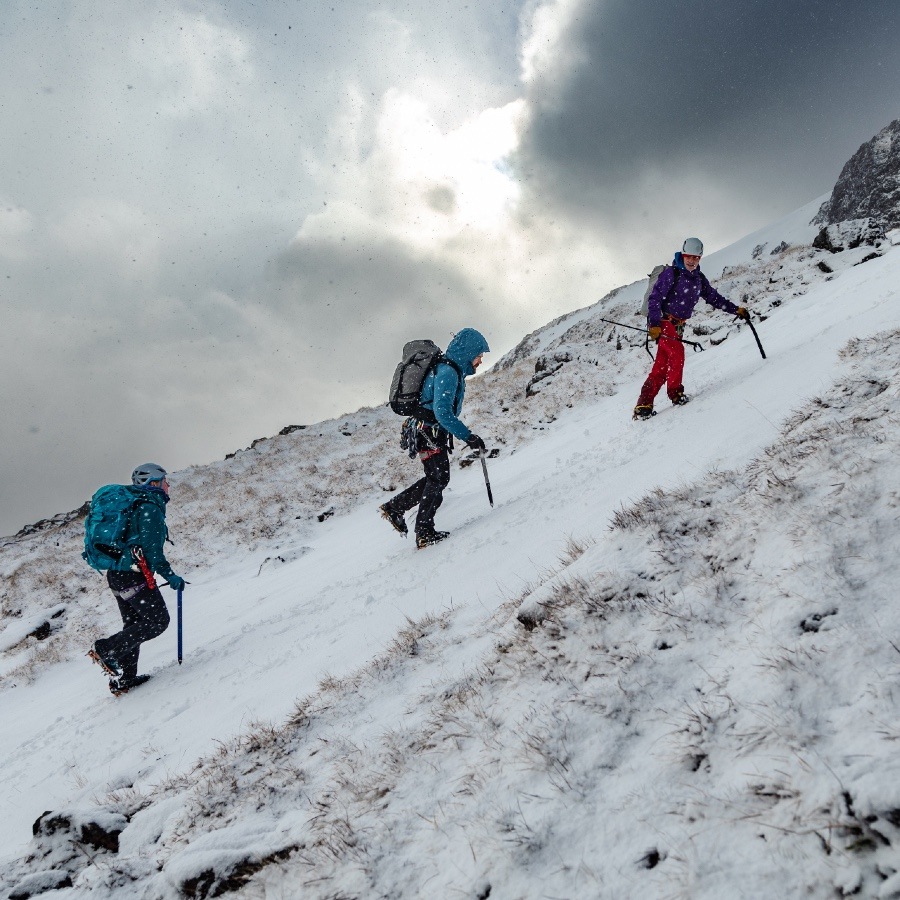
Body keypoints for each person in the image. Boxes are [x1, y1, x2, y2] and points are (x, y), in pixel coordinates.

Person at [380, 328, 490, 549]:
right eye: (478, 356)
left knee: (436, 477)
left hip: (427, 431)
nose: (479, 361)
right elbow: (443, 413)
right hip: (427, 432)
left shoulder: (451, 370)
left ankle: (397, 509)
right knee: (438, 478)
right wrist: (469, 437)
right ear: (468, 352)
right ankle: (423, 531)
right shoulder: (448, 372)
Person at [89, 463, 186, 694]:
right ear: (154, 483)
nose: (168, 485)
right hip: (133, 575)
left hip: (117, 575)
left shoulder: (135, 505)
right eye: (165, 480)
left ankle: (124, 678)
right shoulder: (149, 508)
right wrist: (170, 576)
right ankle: (106, 649)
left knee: (133, 626)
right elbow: (153, 552)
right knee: (157, 622)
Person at [633, 237, 750, 420]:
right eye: (689, 256)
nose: (692, 261)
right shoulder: (672, 274)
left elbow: (714, 298)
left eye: (696, 258)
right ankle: (676, 393)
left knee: (661, 366)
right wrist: (654, 325)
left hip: (678, 327)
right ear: (683, 254)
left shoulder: (699, 279)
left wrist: (736, 310)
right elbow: (654, 298)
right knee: (677, 353)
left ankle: (643, 405)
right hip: (663, 323)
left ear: (700, 258)